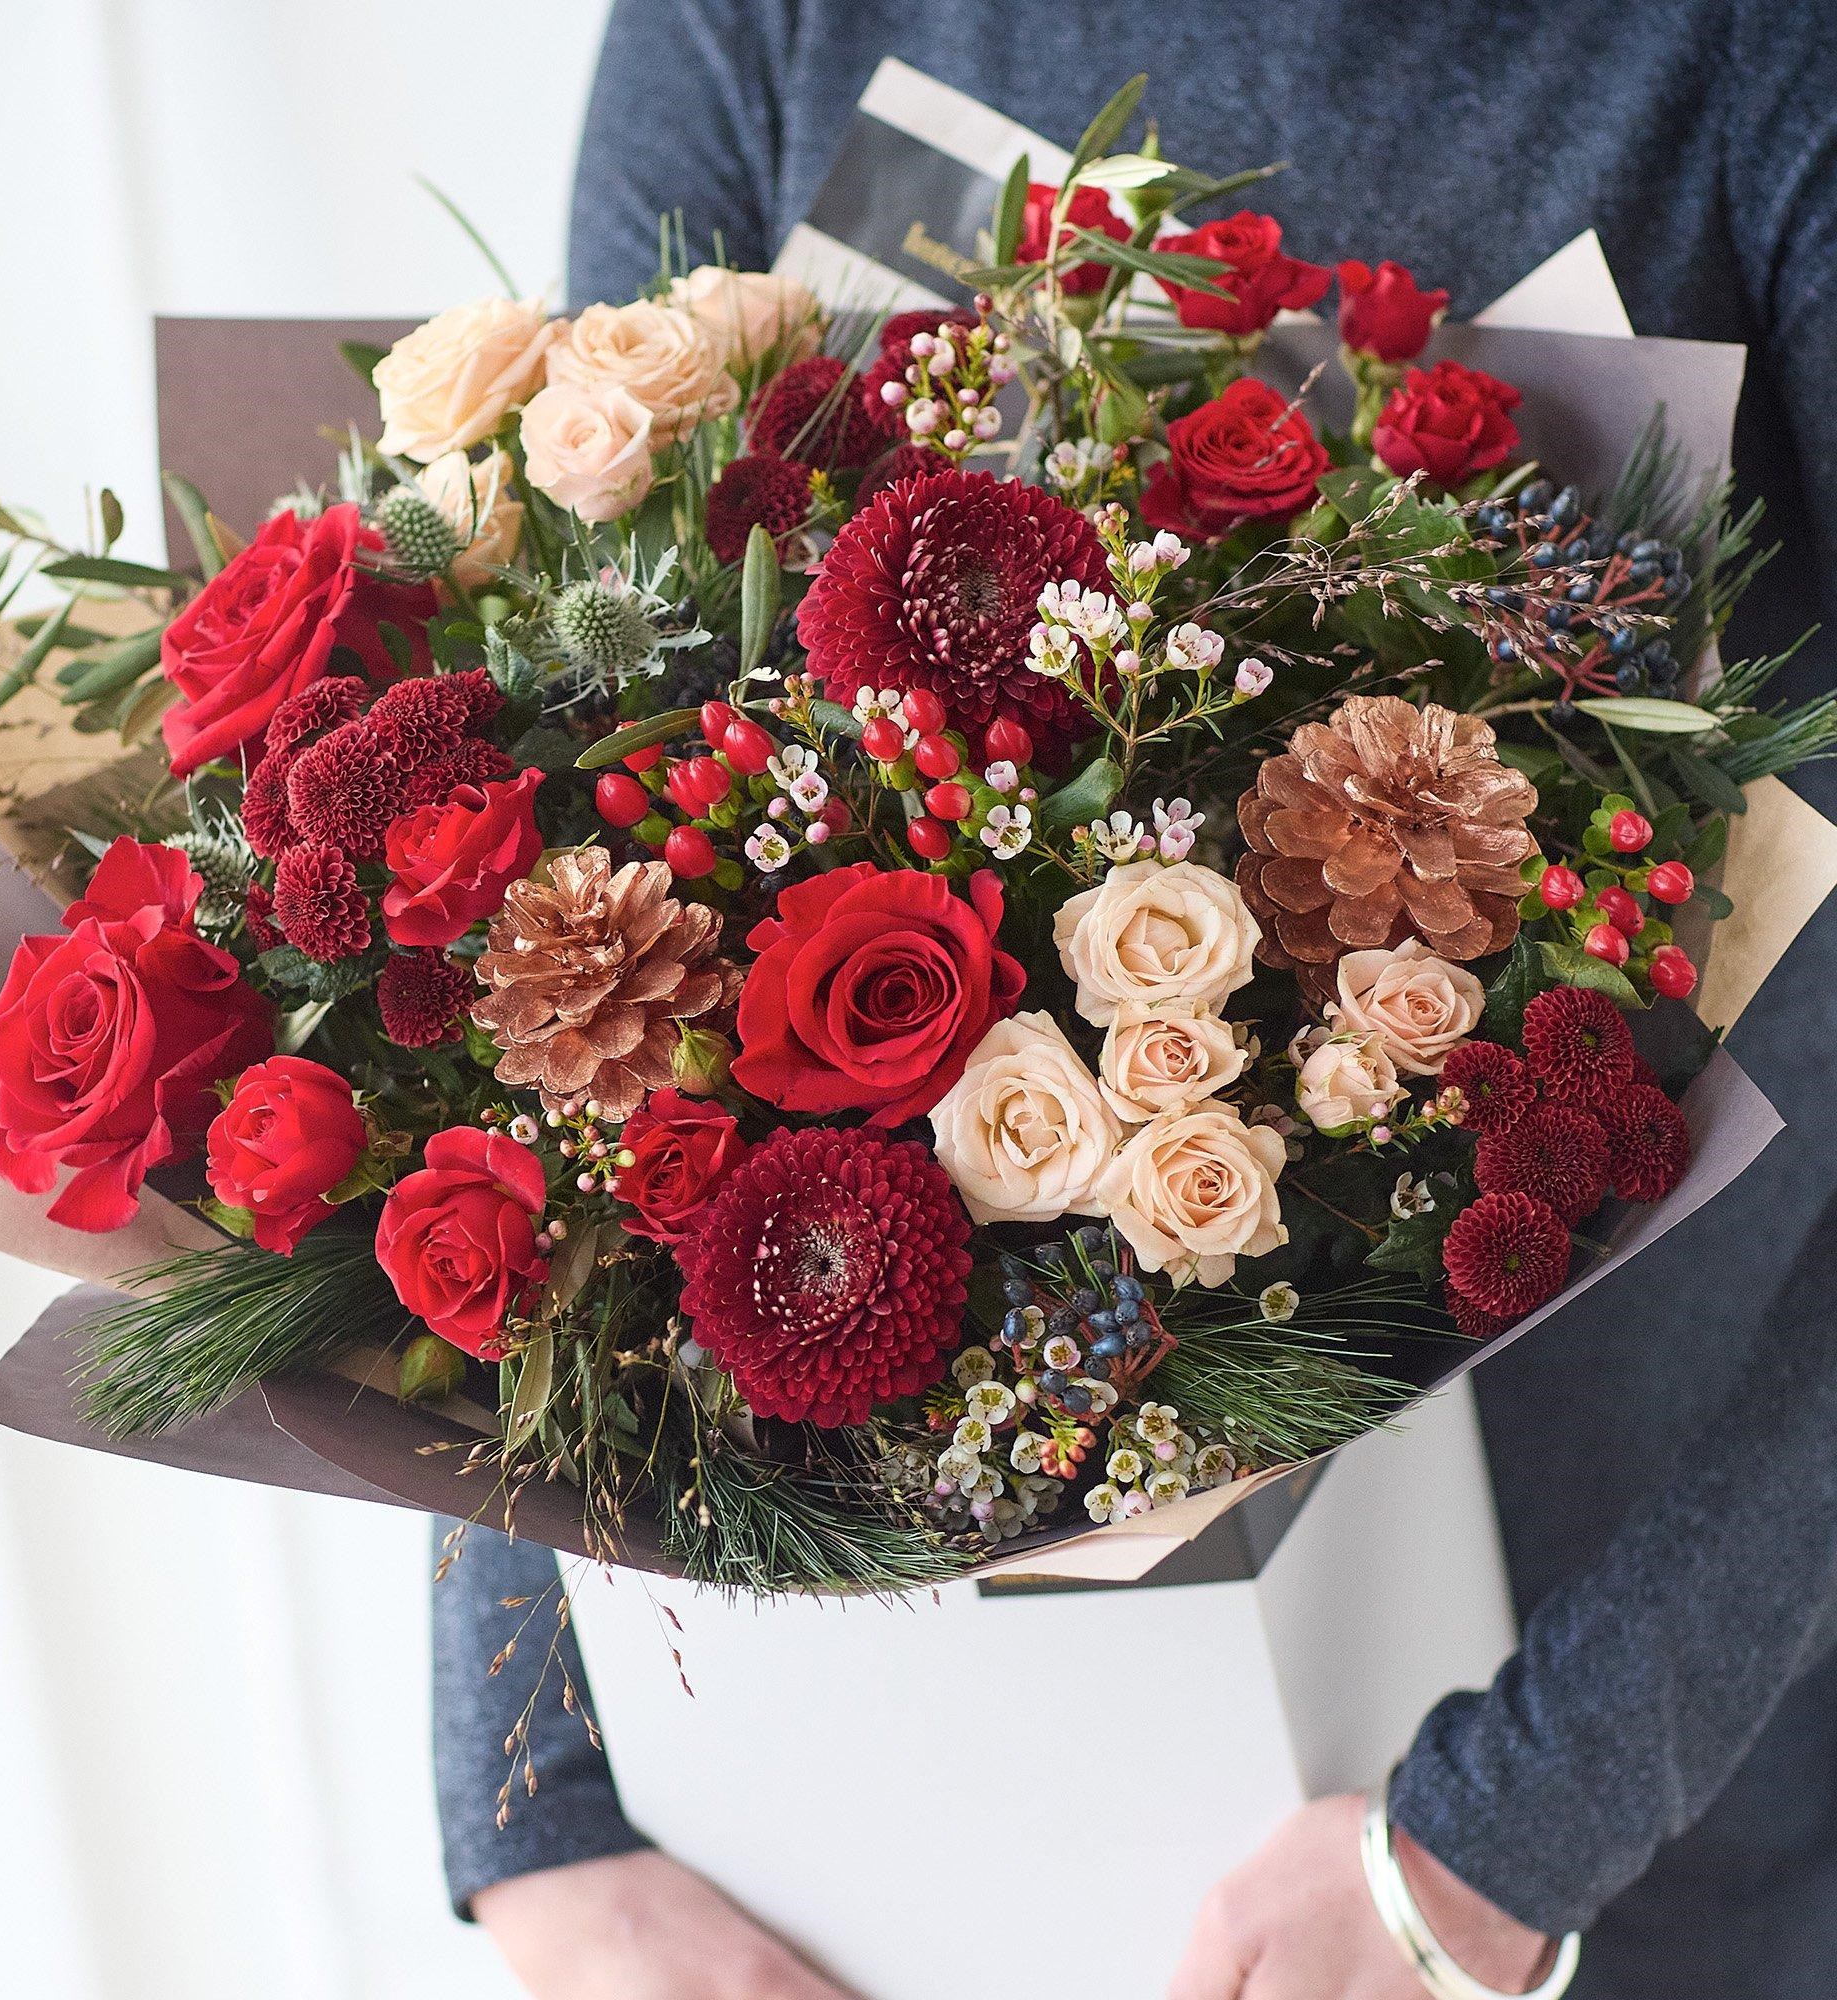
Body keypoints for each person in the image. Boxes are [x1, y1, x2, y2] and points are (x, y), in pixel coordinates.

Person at [435, 5, 1837, 1995]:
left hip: (1631, 1776)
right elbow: (552, 927)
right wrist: (545, 1818)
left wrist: (1512, 1835)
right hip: (851, 1827)